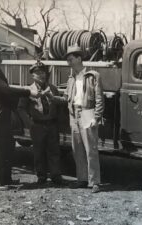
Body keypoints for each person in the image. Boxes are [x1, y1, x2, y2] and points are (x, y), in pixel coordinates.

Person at [46, 45, 104, 193]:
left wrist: (96, 117)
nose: (68, 62)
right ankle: (82, 179)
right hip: (74, 115)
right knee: (77, 149)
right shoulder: (71, 78)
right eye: (67, 60)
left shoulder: (93, 76)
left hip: (87, 113)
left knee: (91, 149)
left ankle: (95, 182)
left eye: (71, 59)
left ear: (79, 58)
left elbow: (99, 99)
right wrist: (53, 98)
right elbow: (66, 98)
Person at [0, 41, 38, 190]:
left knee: (7, 147)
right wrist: (28, 92)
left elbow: (6, 95)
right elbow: (6, 90)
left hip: (2, 113)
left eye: (0, 54)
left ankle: (6, 180)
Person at [18, 61, 63, 185]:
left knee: (54, 151)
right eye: (37, 73)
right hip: (37, 125)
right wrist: (29, 124)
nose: (41, 75)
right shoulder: (28, 90)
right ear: (32, 75)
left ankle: (56, 175)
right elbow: (21, 108)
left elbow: (59, 105)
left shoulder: (52, 88)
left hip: (51, 125)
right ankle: (41, 176)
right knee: (39, 151)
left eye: (43, 72)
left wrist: (56, 121)